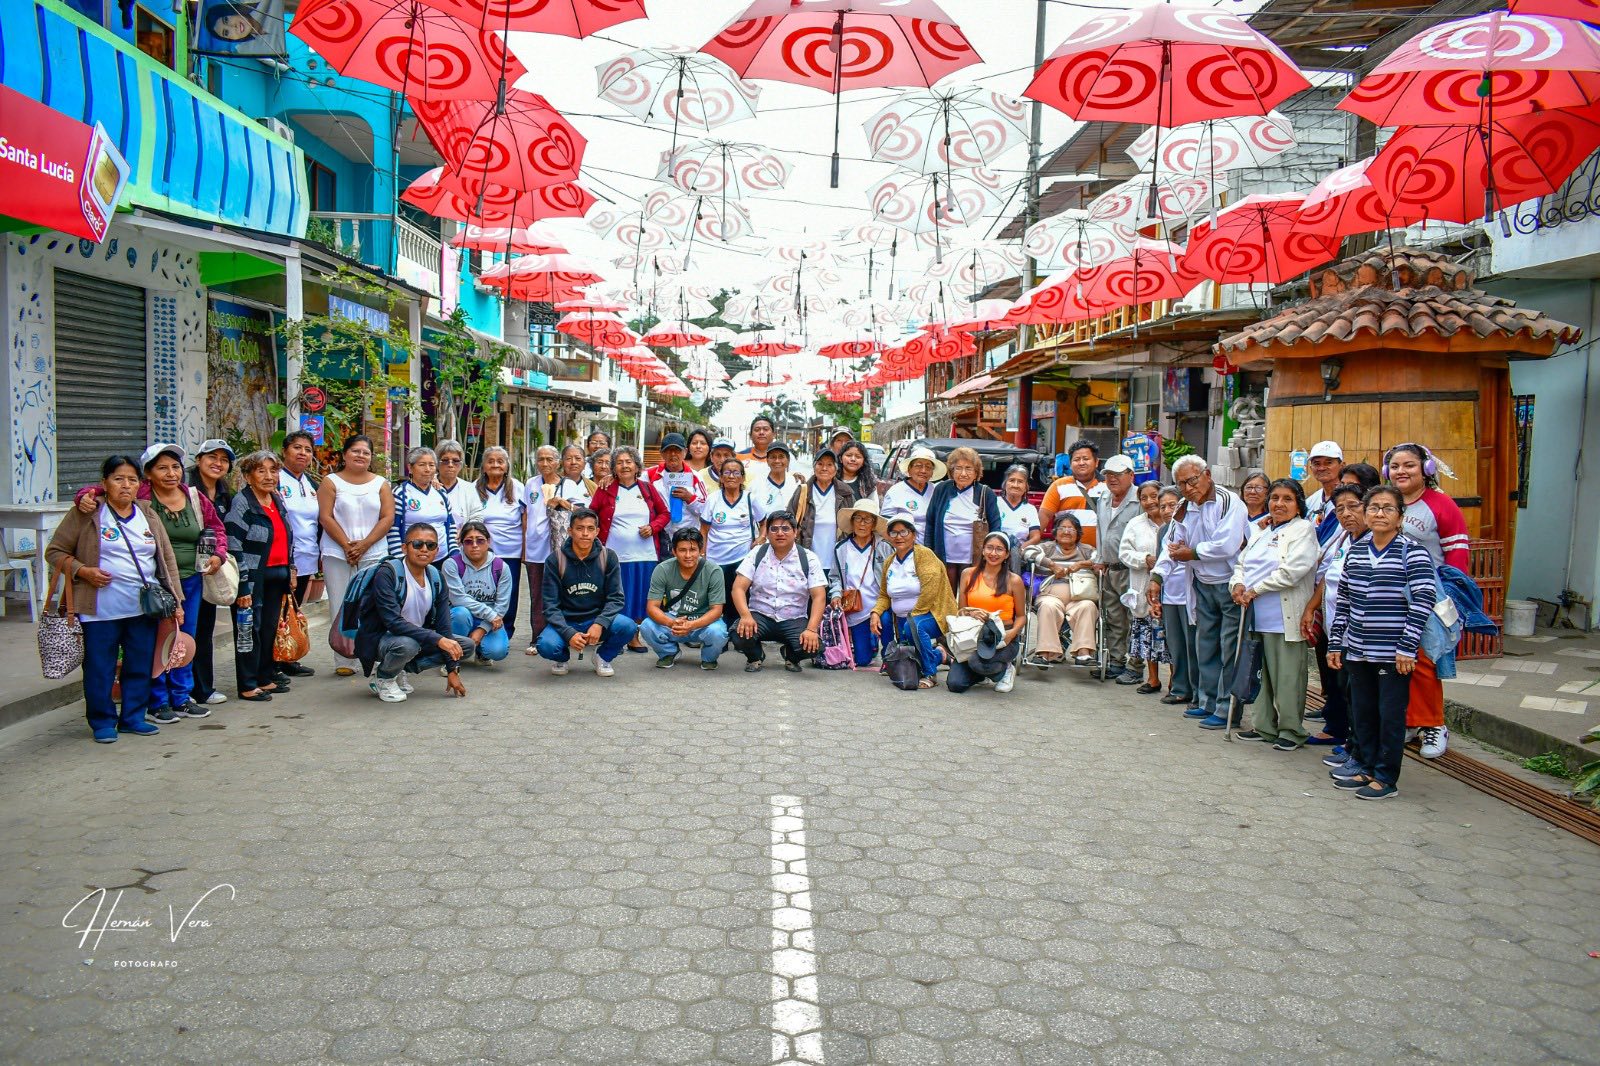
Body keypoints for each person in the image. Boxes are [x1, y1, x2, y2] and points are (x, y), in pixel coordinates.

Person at [70, 443, 230, 720]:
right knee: (156, 642)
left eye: (176, 467)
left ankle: (181, 696)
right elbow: (106, 489)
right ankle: (157, 700)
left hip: (190, 580)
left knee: (183, 639)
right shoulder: (142, 495)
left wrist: (218, 554)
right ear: (148, 474)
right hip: (154, 584)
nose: (171, 473)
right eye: (162, 468)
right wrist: (85, 495)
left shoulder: (194, 497)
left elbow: (216, 528)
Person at [48, 455, 184, 743]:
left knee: (140, 665)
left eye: (132, 479)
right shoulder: (88, 512)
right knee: (100, 668)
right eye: (118, 479)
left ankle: (133, 717)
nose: (126, 485)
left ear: (139, 484)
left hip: (143, 609)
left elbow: (166, 560)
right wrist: (83, 571)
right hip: (99, 610)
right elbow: (55, 552)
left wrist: (177, 601)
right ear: (104, 483)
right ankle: (102, 721)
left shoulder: (147, 514)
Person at [1326, 486, 1437, 800]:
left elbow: (1423, 600)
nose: (1379, 514)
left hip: (1393, 653)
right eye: (1374, 507)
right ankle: (1366, 767)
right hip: (1357, 650)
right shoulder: (1357, 551)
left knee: (1389, 716)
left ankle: (1386, 778)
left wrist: (1407, 646)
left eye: (1388, 508)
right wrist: (1336, 643)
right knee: (1363, 713)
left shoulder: (1412, 552)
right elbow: (1344, 600)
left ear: (1400, 517)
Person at [1148, 456, 1250, 730]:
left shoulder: (1229, 502)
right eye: (1182, 483)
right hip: (1201, 584)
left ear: (1207, 475)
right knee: (1205, 645)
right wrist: (1157, 576)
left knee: (1230, 647)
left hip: (1230, 584)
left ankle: (1227, 709)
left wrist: (1191, 552)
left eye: (1192, 480)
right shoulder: (1184, 507)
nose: (1188, 488)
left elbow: (1226, 545)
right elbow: (1171, 546)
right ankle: (1207, 701)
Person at [1387, 442, 1468, 759]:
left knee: (1425, 661)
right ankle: (1411, 720)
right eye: (1395, 466)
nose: (1401, 471)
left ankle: (1434, 724)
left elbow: (1457, 556)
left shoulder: (1441, 505)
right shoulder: (1387, 501)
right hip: (1390, 594)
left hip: (1428, 596)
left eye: (1409, 465)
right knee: (1397, 661)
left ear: (1426, 469)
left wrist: (1451, 601)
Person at [1230, 479, 1319, 749]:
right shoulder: (1263, 530)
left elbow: (1292, 571)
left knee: (1287, 678)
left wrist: (1256, 589)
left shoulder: (1303, 530)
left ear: (1298, 505)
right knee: (1260, 674)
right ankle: (1264, 726)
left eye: (1287, 499)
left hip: (1284, 618)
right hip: (1256, 616)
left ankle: (1291, 731)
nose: (1279, 504)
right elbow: (1241, 563)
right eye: (1275, 498)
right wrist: (1238, 584)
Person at [354, 522, 471, 702]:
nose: (424, 549)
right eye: (417, 544)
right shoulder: (388, 573)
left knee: (464, 646)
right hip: (381, 639)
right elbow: (393, 622)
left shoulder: (436, 577)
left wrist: (452, 669)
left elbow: (444, 625)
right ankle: (384, 677)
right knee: (409, 645)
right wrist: (438, 640)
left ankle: (400, 669)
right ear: (404, 548)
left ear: (437, 550)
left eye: (430, 545)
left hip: (415, 636)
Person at [318, 434, 395, 677]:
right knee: (340, 604)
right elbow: (325, 517)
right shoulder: (330, 482)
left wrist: (364, 545)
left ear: (371, 457)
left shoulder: (381, 483)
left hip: (374, 552)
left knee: (373, 606)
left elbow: (388, 517)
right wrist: (346, 545)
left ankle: (373, 655)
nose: (360, 455)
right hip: (337, 553)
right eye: (355, 451)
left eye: (366, 452)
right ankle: (344, 658)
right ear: (344, 454)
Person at [226, 451, 297, 702]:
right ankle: (247, 684)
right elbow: (233, 545)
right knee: (249, 629)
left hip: (278, 575)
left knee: (268, 628)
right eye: (261, 471)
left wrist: (291, 569)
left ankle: (264, 677)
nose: (269, 476)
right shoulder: (242, 503)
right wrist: (243, 586)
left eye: (273, 471)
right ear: (248, 476)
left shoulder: (276, 499)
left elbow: (288, 536)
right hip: (253, 577)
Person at [1304, 484, 1369, 757]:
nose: (1346, 513)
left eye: (1353, 506)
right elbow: (1329, 576)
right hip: (1336, 628)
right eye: (1340, 508)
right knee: (1342, 687)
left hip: (1361, 634)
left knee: (1358, 693)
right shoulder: (1343, 538)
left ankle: (1359, 749)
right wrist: (1311, 608)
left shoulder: (1373, 542)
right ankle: (1347, 739)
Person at [537, 509, 636, 676]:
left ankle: (602, 657)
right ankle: (561, 658)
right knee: (547, 645)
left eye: (590, 528)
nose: (585, 533)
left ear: (597, 531)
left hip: (596, 618)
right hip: (566, 620)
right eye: (579, 528)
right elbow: (550, 605)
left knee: (628, 626)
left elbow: (616, 598)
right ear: (570, 531)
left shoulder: (608, 556)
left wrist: (599, 623)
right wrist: (568, 633)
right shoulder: (555, 559)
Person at [592, 447, 670, 652]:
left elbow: (665, 514)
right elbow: (592, 515)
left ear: (637, 466)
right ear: (613, 468)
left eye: (629, 462)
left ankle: (633, 636)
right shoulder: (605, 489)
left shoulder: (647, 489)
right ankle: (614, 638)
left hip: (646, 555)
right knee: (617, 598)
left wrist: (652, 527)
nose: (624, 466)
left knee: (640, 597)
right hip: (615, 556)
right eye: (619, 462)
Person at [730, 511, 827, 672]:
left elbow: (819, 597)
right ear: (767, 533)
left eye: (785, 528)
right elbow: (738, 588)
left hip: (794, 618)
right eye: (774, 529)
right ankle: (755, 656)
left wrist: (811, 629)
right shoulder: (757, 554)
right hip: (760, 615)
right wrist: (745, 616)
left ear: (795, 532)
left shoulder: (808, 558)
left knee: (813, 646)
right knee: (739, 635)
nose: (780, 533)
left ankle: (791, 656)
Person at [871, 516, 957, 688]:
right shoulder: (889, 562)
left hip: (930, 615)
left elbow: (930, 591)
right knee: (884, 619)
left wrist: (911, 618)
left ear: (914, 534)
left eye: (904, 532)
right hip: (904, 619)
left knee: (914, 627)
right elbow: (884, 595)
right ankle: (897, 658)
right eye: (894, 533)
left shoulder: (924, 555)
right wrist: (875, 612)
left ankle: (930, 673)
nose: (899, 537)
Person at [948, 531, 1027, 694]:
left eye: (999, 549)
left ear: (1007, 555)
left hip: (1002, 636)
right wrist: (971, 614)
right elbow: (961, 611)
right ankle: (982, 673)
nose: (993, 553)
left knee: (978, 663)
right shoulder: (968, 574)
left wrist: (1012, 633)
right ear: (983, 550)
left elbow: (1021, 616)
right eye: (989, 548)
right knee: (955, 684)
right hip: (974, 634)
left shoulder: (1014, 580)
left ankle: (1006, 670)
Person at [189, 439, 235, 706]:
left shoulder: (226, 495)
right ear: (199, 460)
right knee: (186, 630)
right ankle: (180, 690)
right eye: (212, 457)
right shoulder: (184, 489)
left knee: (204, 630)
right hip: (184, 570)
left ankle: (203, 689)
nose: (218, 463)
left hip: (211, 570)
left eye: (224, 459)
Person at [641, 528, 729, 669]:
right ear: (674, 551)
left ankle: (709, 658)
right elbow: (652, 607)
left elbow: (717, 610)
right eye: (682, 550)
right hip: (674, 620)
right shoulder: (662, 569)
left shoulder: (714, 571)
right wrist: (671, 622)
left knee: (718, 632)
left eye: (692, 550)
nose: (688, 555)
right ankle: (668, 653)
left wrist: (692, 625)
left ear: (701, 550)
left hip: (704, 621)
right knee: (647, 626)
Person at [470, 446, 528, 653]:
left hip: (511, 553)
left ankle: (505, 633)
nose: (495, 465)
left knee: (508, 596)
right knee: (483, 593)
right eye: (491, 461)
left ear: (507, 466)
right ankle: (479, 632)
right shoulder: (473, 488)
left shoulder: (518, 488)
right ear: (484, 466)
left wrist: (525, 550)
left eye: (500, 461)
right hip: (481, 554)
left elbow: (525, 521)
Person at [1024, 514, 1100, 667]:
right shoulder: (1048, 547)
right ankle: (1045, 653)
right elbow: (1027, 552)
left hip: (1080, 597)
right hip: (1051, 596)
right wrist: (1051, 565)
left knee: (1088, 607)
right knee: (1048, 607)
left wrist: (1081, 564)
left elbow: (1099, 557)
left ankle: (1084, 653)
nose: (1066, 532)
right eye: (1062, 528)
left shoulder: (1085, 549)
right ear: (1055, 531)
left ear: (1078, 533)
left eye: (1071, 529)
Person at [1095, 454, 1145, 684]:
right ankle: (1116, 662)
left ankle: (1135, 666)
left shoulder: (1140, 499)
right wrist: (1100, 558)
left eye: (1118, 474)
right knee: (1114, 617)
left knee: (1135, 618)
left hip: (1133, 569)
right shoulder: (1104, 497)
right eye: (1108, 474)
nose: (1112, 479)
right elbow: (1100, 531)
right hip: (1110, 568)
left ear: (1131, 475)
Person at [926, 446, 1003, 592]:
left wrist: (991, 554)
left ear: (976, 472)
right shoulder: (941, 489)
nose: (963, 473)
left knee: (970, 595)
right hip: (944, 557)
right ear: (951, 471)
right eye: (958, 468)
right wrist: (928, 552)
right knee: (946, 595)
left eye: (968, 469)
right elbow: (930, 522)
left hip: (973, 558)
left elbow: (996, 527)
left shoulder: (985, 493)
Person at [1151, 487, 1200, 715]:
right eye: (1162, 506)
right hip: (1169, 593)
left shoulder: (1192, 525)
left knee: (1193, 645)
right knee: (1175, 643)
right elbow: (1161, 562)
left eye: (1172, 505)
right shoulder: (1163, 531)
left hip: (1190, 592)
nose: (1167, 510)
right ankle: (1180, 687)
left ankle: (1197, 691)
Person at [1119, 481, 1168, 696]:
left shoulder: (1174, 521)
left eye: (1154, 496)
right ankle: (1153, 678)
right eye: (1143, 498)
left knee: (1170, 636)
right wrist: (1144, 559)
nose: (1149, 501)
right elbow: (1124, 553)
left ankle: (1176, 681)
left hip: (1171, 589)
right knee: (1147, 634)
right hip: (1143, 585)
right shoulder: (1135, 524)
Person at [832, 498, 893, 667]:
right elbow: (835, 577)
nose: (862, 523)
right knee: (863, 660)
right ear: (852, 522)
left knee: (886, 620)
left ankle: (889, 657)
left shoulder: (884, 547)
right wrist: (836, 594)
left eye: (867, 519)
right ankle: (871, 642)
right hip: (856, 609)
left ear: (874, 524)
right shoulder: (841, 548)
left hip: (879, 606)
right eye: (858, 518)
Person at [445, 519, 513, 664]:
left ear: (488, 542)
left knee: (498, 651)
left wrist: (482, 629)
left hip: (489, 621)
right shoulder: (452, 565)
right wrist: (491, 615)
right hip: (463, 617)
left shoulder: (501, 567)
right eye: (468, 541)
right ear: (461, 544)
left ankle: (482, 652)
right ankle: (451, 658)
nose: (475, 545)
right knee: (460, 613)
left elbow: (502, 606)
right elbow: (458, 598)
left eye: (480, 540)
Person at [278, 431, 324, 624]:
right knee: (277, 616)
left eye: (308, 450)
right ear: (284, 451)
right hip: (281, 561)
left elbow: (320, 522)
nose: (302, 453)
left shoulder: (313, 485)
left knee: (292, 615)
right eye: (297, 447)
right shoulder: (275, 480)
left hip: (307, 558)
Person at [698, 457, 758, 594]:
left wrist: (761, 538)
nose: (731, 476)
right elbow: (704, 530)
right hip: (716, 559)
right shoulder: (712, 499)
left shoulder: (750, 498)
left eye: (736, 473)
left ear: (743, 478)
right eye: (727, 472)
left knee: (740, 596)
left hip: (743, 559)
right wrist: (702, 554)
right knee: (717, 597)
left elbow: (764, 522)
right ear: (721, 477)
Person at [387, 447, 458, 561]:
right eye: (422, 465)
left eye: (431, 465)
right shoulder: (401, 493)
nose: (428, 469)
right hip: (412, 561)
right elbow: (393, 529)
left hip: (443, 558)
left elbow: (451, 525)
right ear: (410, 468)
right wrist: (400, 559)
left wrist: (454, 553)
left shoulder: (441, 492)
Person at [520, 445, 561, 642]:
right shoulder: (531, 483)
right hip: (534, 549)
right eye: (540, 459)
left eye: (549, 459)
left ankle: (558, 634)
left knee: (557, 593)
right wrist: (524, 548)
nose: (545, 463)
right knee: (536, 594)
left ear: (557, 462)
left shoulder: (565, 484)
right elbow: (526, 515)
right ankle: (537, 636)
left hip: (557, 549)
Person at [790, 448, 856, 571]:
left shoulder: (846, 493)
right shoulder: (803, 492)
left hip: (838, 562)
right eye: (820, 464)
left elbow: (854, 527)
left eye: (829, 465)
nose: (824, 468)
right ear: (814, 467)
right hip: (807, 561)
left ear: (836, 469)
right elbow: (789, 521)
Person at [1038, 439, 1108, 549]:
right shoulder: (1058, 486)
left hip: (1101, 554)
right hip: (1067, 554)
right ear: (1070, 464)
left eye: (1086, 459)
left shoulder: (1108, 486)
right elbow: (1044, 516)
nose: (1081, 463)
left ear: (1096, 462)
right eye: (1076, 459)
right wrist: (1032, 542)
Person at [646, 433, 706, 539]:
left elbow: (704, 509)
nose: (673, 454)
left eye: (677, 450)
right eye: (668, 450)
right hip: (660, 535)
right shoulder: (649, 474)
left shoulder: (695, 476)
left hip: (687, 536)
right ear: (661, 453)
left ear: (685, 452)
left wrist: (689, 498)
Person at [881, 446, 945, 543]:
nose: (923, 471)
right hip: (904, 547)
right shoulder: (895, 491)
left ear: (932, 472)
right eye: (918, 466)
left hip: (932, 547)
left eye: (928, 467)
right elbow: (885, 525)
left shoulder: (936, 491)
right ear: (909, 469)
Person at [749, 442, 801, 528]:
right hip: (764, 533)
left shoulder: (795, 483)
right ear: (767, 460)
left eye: (781, 457)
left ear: (788, 460)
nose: (777, 461)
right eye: (773, 457)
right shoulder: (756, 484)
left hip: (789, 533)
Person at [434, 439, 481, 527]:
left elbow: (477, 516)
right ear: (437, 463)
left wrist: (465, 531)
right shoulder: (428, 485)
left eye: (455, 461)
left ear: (461, 464)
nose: (450, 465)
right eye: (445, 460)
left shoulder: (469, 489)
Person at [995, 464, 1042, 549]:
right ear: (1005, 484)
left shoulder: (1030, 509)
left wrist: (1018, 550)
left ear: (1026, 487)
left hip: (1020, 550)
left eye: (1020, 482)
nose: (1015, 485)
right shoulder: (994, 503)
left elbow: (1036, 537)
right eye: (1012, 480)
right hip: (995, 549)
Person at [1303, 440, 1345, 535]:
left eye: (1328, 463)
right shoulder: (1310, 501)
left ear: (1342, 466)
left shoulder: (1350, 499)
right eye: (1317, 464)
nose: (1322, 468)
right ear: (1311, 468)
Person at [738, 415, 778, 481]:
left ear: (774, 434)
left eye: (766, 429)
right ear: (750, 435)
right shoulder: (739, 457)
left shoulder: (784, 457)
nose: (761, 432)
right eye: (757, 430)